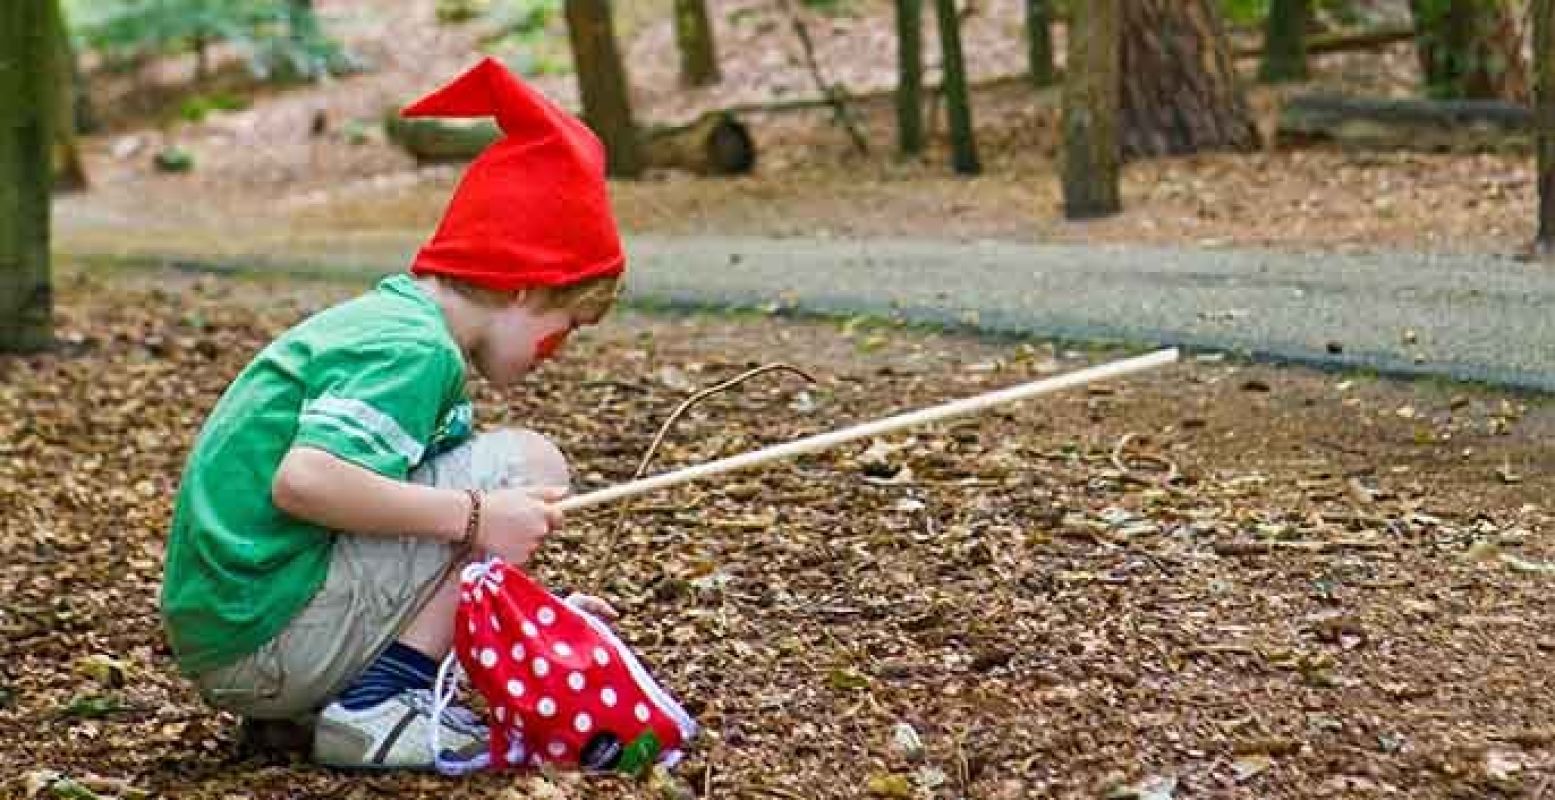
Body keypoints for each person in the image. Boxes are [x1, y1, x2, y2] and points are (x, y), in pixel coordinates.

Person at [160, 57, 627, 770]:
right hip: (267, 639)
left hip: (247, 633)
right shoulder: (411, 351)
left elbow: (405, 552)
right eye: (568, 326)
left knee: (485, 489)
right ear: (530, 288)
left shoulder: (392, 326)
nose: (557, 351)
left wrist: (533, 611)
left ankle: (342, 697)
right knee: (525, 465)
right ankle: (379, 706)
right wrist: (478, 518)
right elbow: (307, 483)